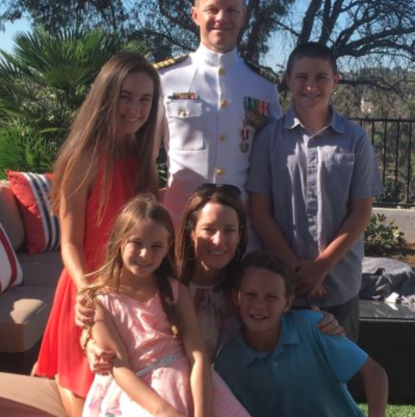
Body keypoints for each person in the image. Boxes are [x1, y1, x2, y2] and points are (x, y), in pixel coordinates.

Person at [34, 52, 161, 417]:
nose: (135, 109)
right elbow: (70, 242)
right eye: (125, 96)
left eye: (145, 100)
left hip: (128, 288)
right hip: (87, 285)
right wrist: (87, 289)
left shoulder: (141, 157)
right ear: (106, 96)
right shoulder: (86, 157)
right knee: (89, 394)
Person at [247, 42, 384, 340]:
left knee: (337, 374)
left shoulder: (356, 140)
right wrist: (297, 271)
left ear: (335, 80)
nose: (310, 86)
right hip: (281, 287)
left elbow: (361, 212)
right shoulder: (268, 140)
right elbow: (259, 212)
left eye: (321, 77)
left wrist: (322, 266)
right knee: (284, 373)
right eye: (302, 77)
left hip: (339, 283)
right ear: (288, 80)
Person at [81, 195, 250, 417]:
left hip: (186, 382)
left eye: (156, 246)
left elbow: (198, 355)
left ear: (168, 246)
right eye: (137, 243)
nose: (145, 254)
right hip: (138, 393)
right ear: (119, 239)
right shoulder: (101, 301)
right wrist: (165, 412)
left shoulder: (174, 290)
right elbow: (121, 368)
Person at [155, 0, 282, 246]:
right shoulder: (166, 78)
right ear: (195, 14)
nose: (221, 17)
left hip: (241, 233)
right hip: (181, 229)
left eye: (231, 10)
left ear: (244, 16)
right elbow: (145, 156)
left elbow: (276, 159)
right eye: (212, 9)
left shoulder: (262, 86)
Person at [175, 184, 344, 359]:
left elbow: (276, 316)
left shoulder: (246, 284)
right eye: (209, 229)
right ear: (191, 231)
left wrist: (320, 322)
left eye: (229, 230)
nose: (219, 241)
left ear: (239, 235)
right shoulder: (164, 282)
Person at [214, 251, 388, 417]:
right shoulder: (227, 363)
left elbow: (374, 373)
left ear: (287, 302)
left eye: (271, 297)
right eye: (251, 294)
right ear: (236, 298)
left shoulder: (313, 327)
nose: (259, 305)